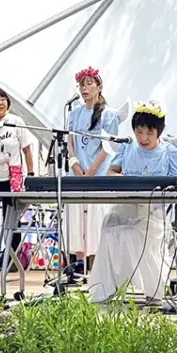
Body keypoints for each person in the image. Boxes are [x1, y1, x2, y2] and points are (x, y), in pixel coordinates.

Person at [89, 101, 177, 304]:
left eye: (149, 133)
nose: (143, 138)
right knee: (109, 225)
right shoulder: (127, 147)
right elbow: (111, 172)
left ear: (159, 132)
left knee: (135, 233)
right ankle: (105, 290)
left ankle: (153, 290)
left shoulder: (170, 152)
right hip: (125, 204)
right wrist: (126, 180)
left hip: (153, 211)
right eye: (139, 131)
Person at [66, 67, 121, 271]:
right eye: (82, 85)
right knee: (77, 218)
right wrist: (74, 164)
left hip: (98, 174)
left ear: (99, 87)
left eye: (89, 84)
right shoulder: (75, 113)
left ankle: (98, 263)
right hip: (77, 173)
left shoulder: (109, 115)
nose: (84, 88)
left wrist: (91, 171)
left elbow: (108, 146)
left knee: (97, 218)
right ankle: (79, 261)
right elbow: (70, 141)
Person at [0, 88, 35, 272]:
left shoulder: (16, 122)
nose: (0, 102)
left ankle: (12, 257)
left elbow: (27, 149)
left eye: (3, 99)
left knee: (12, 219)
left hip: (11, 178)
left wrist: (31, 174)